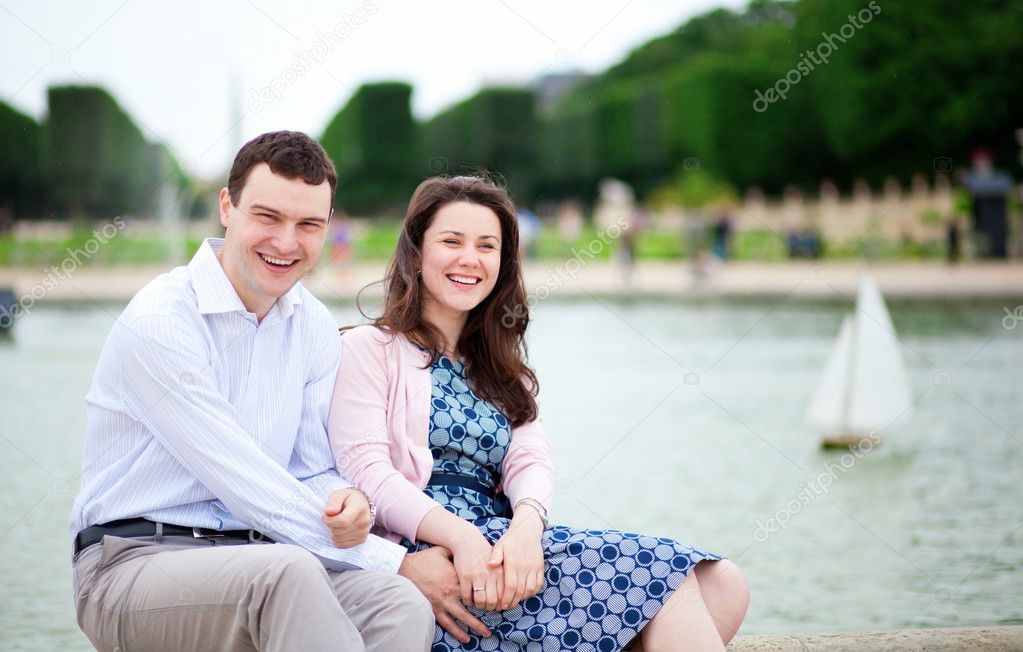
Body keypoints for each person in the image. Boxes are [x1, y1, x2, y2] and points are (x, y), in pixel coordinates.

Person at [329, 175, 750, 651]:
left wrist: (527, 529)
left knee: (724, 584)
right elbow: (368, 473)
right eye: (452, 241)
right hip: (428, 552)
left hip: (505, 551)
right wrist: (464, 539)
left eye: (487, 246)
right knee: (674, 582)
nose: (470, 258)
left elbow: (531, 462)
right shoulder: (368, 349)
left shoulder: (506, 372)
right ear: (416, 251)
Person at [69, 131, 437, 652]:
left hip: (262, 559)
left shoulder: (311, 325)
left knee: (399, 605)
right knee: (286, 575)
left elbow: (310, 469)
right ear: (227, 206)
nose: (287, 243)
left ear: (327, 227)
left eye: (308, 225)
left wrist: (346, 501)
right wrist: (395, 558)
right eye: (267, 217)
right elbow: (245, 481)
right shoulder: (160, 321)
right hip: (132, 565)